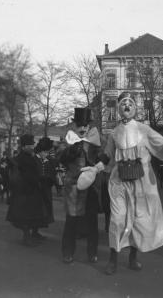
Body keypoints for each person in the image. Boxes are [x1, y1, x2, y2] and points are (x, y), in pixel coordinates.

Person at [78, 92, 163, 275]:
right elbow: (107, 155)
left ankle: (133, 258)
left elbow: (161, 144)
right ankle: (113, 260)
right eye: (123, 103)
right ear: (119, 109)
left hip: (141, 181)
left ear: (135, 108)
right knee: (116, 220)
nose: (127, 106)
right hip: (119, 182)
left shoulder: (143, 129)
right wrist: (95, 169)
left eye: (130, 103)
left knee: (139, 219)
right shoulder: (114, 133)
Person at [59, 108, 104, 264]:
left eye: (85, 125)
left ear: (89, 126)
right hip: (73, 188)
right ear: (74, 125)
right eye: (79, 125)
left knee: (92, 222)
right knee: (71, 221)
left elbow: (103, 159)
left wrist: (97, 156)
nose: (83, 128)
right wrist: (72, 150)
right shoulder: (68, 140)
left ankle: (92, 253)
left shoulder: (96, 141)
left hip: (91, 187)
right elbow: (60, 157)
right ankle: (67, 252)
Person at [6, 134, 52, 247]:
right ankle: (26, 237)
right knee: (26, 215)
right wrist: (40, 179)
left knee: (34, 213)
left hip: (31, 190)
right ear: (24, 146)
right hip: (26, 191)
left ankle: (34, 234)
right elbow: (28, 175)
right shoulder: (23, 158)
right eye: (30, 145)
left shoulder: (26, 156)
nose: (32, 146)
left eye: (32, 144)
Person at [34, 137, 57, 238]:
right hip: (35, 190)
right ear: (40, 151)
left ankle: (36, 231)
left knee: (44, 211)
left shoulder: (49, 161)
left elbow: (53, 173)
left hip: (46, 189)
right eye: (44, 152)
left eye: (47, 152)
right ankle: (33, 231)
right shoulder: (34, 160)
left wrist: (50, 179)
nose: (46, 154)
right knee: (35, 211)